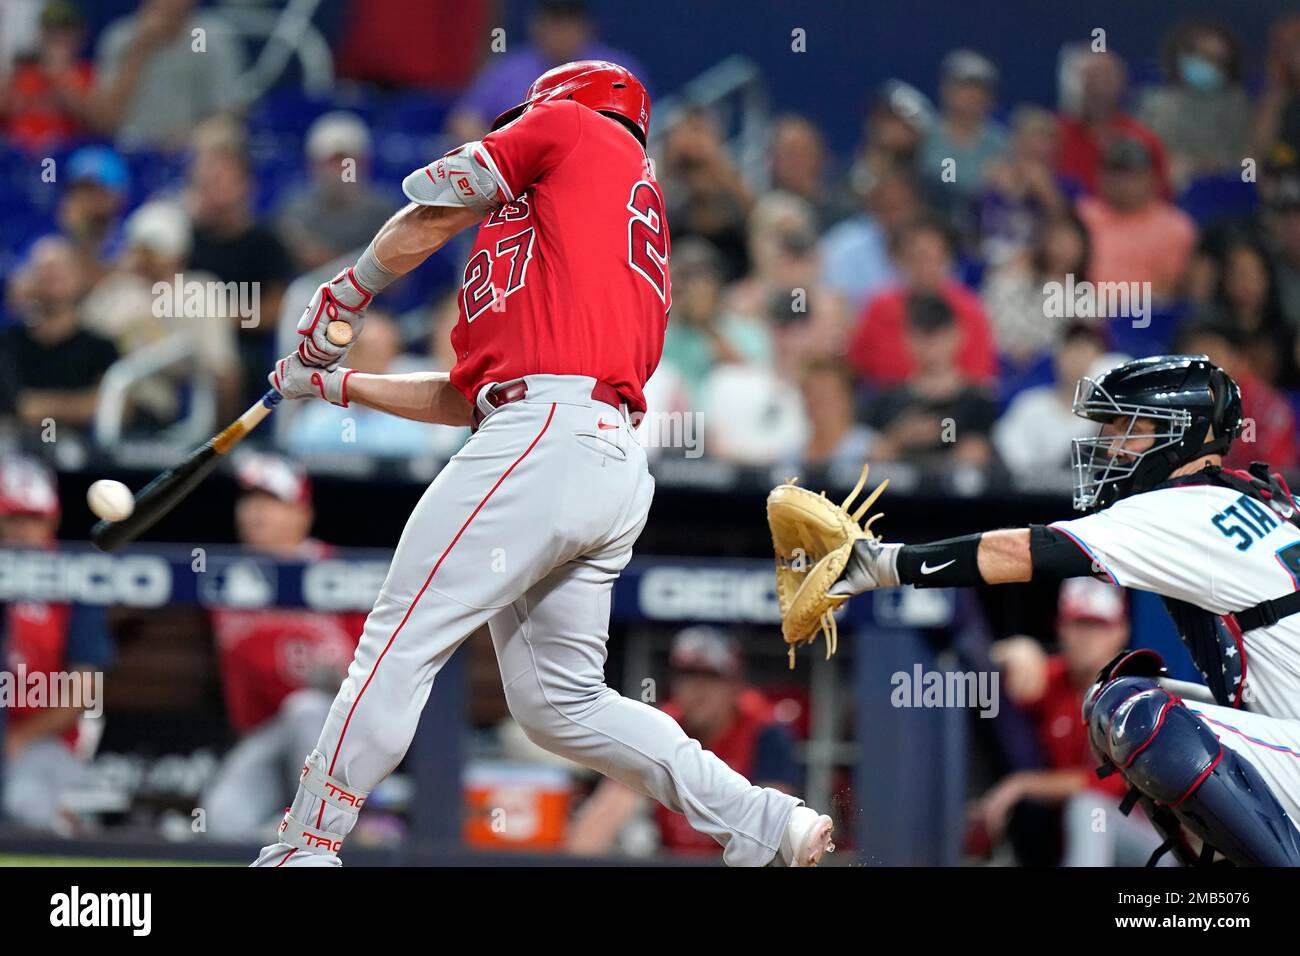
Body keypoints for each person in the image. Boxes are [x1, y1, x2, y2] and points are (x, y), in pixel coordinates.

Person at [253, 60, 834, 867]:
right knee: (561, 705)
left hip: (547, 436)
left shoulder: (577, 129)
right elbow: (473, 396)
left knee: (398, 637)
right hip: (597, 457)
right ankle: (762, 818)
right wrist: (338, 382)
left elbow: (431, 208)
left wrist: (343, 294)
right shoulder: (596, 225)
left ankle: (305, 847)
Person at [832, 354, 1300, 865]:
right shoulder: (1263, 499)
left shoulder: (1180, 505)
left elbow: (1020, 553)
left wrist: (881, 563)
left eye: (1132, 430)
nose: (1113, 447)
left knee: (1133, 713)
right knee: (1115, 696)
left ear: (1183, 437)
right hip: (1285, 732)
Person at [200, 455, 362, 840]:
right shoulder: (227, 580)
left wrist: (332, 678)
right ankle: (303, 842)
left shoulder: (337, 571)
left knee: (304, 707)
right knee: (220, 821)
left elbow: (373, 672)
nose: (257, 514)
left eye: (272, 502)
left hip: (333, 735)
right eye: (251, 501)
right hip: (266, 734)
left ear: (301, 514)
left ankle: (333, 832)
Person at [973, 578, 1164, 867]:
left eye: (1097, 625)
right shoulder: (1053, 680)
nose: (1085, 637)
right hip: (1075, 844)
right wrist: (1010, 650)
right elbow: (982, 686)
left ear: (1121, 632)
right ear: (1059, 627)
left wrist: (1022, 785)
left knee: (1088, 807)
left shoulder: (1136, 695)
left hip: (1147, 846)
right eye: (1077, 623)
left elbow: (1107, 784)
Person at [566, 627, 799, 858]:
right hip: (673, 859)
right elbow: (604, 817)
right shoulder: (660, 727)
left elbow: (773, 832)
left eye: (710, 677)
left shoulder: (764, 730)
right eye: (687, 676)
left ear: (734, 685)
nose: (697, 690)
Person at [0, 455, 111, 832]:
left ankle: (70, 824)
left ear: (52, 519)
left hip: (43, 741)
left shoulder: (72, 579)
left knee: (22, 807)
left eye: (34, 519)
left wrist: (17, 737)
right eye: (13, 519)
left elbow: (81, 694)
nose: (23, 531)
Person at [185, 122, 295, 406]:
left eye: (223, 178)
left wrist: (220, 317)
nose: (214, 186)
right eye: (208, 180)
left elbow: (275, 310)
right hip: (183, 340)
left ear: (246, 186)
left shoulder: (266, 241)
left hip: (243, 346)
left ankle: (223, 444)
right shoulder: (186, 237)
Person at [445, 0, 646, 143]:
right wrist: (503, 151)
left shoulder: (617, 69)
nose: (561, 34)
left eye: (569, 25)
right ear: (536, 26)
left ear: (587, 28)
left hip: (595, 168)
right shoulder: (508, 68)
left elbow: (641, 128)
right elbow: (463, 121)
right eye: (554, 24)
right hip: (517, 174)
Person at [847, 217, 998, 387]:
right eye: (916, 258)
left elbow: (979, 376)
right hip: (887, 405)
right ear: (900, 260)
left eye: (933, 258)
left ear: (947, 259)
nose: (925, 267)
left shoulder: (969, 309)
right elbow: (857, 366)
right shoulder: (879, 308)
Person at [861, 292, 997, 467]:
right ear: (907, 339)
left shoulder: (978, 402)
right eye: (923, 336)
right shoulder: (885, 400)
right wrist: (899, 438)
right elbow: (866, 462)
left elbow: (974, 458)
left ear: (958, 335)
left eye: (939, 336)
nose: (932, 347)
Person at [0, 236, 117, 434]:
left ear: (79, 277)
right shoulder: (9, 343)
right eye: (44, 269)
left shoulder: (100, 346)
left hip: (87, 455)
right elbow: (18, 406)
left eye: (61, 268)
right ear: (31, 280)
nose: (52, 275)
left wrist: (48, 406)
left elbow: (114, 404)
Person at [93, 0, 244, 151]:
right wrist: (141, 48)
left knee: (223, 134)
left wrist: (189, 136)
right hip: (130, 149)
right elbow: (106, 120)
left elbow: (228, 111)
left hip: (193, 148)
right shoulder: (119, 38)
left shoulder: (208, 36)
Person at [992, 322, 1119, 481]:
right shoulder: (1030, 406)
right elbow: (1013, 462)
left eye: (1085, 352)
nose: (1077, 361)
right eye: (1070, 350)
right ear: (1057, 357)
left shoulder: (1110, 417)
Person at [1137, 18, 1250, 193]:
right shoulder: (1155, 102)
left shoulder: (1237, 103)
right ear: (1182, 56)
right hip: (1169, 184)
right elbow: (1143, 155)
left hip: (1222, 182)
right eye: (1204, 57)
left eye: (1218, 61)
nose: (1209, 66)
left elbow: (1249, 157)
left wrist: (1220, 166)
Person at [1076, 137, 1196, 302]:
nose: (1123, 184)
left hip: (1141, 316)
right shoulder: (1081, 214)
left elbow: (1167, 290)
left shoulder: (1174, 227)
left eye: (1133, 176)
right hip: (1080, 309)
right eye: (1116, 175)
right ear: (1100, 177)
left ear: (1152, 179)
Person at [275, 112, 397, 273]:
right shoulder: (295, 208)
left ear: (362, 163)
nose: (339, 170)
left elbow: (395, 275)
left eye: (346, 162)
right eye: (331, 162)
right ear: (314, 166)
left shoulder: (382, 208)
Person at [1056, 49, 1171, 198]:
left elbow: (1161, 192)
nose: (1098, 88)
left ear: (1121, 84)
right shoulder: (1057, 134)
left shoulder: (1143, 139)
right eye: (1090, 79)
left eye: (1105, 79)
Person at [981, 213, 1091, 366]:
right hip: (1004, 358)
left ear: (1083, 248)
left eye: (1070, 243)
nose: (1063, 251)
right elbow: (990, 320)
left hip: (1053, 369)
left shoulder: (1086, 297)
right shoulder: (1013, 280)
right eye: (1058, 241)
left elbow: (1082, 344)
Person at [1, 0, 95, 152]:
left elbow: (96, 124)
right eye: (51, 30)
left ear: (80, 34)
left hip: (63, 157)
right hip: (20, 155)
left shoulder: (86, 74)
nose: (57, 37)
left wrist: (61, 76)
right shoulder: (24, 73)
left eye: (65, 31)